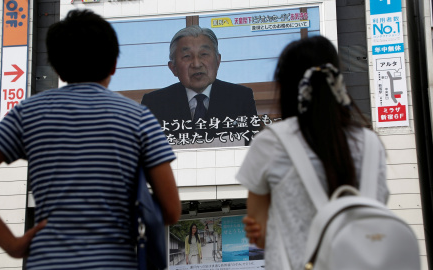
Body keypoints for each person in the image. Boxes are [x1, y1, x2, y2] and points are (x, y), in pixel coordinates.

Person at [0, 9, 181, 270]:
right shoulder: (138, 117)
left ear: (57, 67)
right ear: (114, 64)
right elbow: (172, 210)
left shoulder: (29, 113)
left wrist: (11, 244)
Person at [236, 36, 389, 270]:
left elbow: (261, 234)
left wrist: (259, 231)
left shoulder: (271, 142)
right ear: (336, 78)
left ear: (286, 86)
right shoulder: (370, 144)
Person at [141, 25, 258, 146]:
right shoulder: (154, 104)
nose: (196, 64)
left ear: (218, 61)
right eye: (187, 56)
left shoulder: (241, 98)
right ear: (173, 68)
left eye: (204, 54)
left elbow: (253, 151)